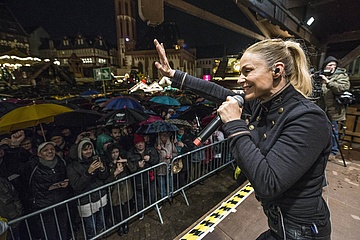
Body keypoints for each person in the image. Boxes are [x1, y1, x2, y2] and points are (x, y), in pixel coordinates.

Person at [154, 38, 332, 239]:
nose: (240, 79)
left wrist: (234, 124)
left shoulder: (308, 118)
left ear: (277, 71)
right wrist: (174, 75)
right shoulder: (266, 104)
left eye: (247, 71)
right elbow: (218, 92)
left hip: (301, 231)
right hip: (279, 223)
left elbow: (268, 184)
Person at [22, 141, 71, 240]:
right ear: (39, 153)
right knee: (49, 233)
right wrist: (46, 188)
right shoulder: (32, 166)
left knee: (63, 229)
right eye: (45, 150)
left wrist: (65, 184)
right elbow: (26, 184)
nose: (50, 152)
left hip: (60, 202)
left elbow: (65, 177)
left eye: (52, 149)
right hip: (43, 205)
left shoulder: (61, 162)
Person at [66, 138, 109, 239]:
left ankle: (102, 235)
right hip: (85, 200)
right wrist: (88, 173)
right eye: (85, 149)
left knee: (101, 221)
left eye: (90, 148)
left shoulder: (96, 160)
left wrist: (103, 169)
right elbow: (76, 185)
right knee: (90, 226)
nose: (89, 151)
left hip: (99, 195)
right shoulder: (72, 166)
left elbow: (103, 177)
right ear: (80, 151)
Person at [317, 56, 350, 161]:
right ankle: (320, 149)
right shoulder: (320, 75)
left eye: (334, 65)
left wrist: (328, 82)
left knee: (333, 131)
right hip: (321, 108)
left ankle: (333, 151)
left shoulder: (340, 76)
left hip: (334, 110)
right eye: (330, 65)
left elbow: (343, 87)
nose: (332, 67)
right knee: (320, 130)